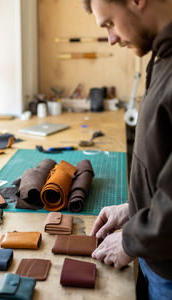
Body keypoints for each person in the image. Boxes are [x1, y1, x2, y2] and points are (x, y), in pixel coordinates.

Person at [81, 0, 172, 299]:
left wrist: (129, 241)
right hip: (155, 257)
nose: (112, 38)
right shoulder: (162, 56)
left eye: (109, 23)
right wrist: (133, 210)